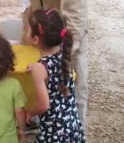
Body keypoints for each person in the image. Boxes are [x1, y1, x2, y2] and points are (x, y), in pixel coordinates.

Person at [26, 8, 85, 142]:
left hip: (53, 134)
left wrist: (29, 112)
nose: (26, 32)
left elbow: (43, 105)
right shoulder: (64, 57)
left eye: (28, 29)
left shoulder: (40, 68)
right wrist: (36, 67)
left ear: (35, 39)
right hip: (73, 127)